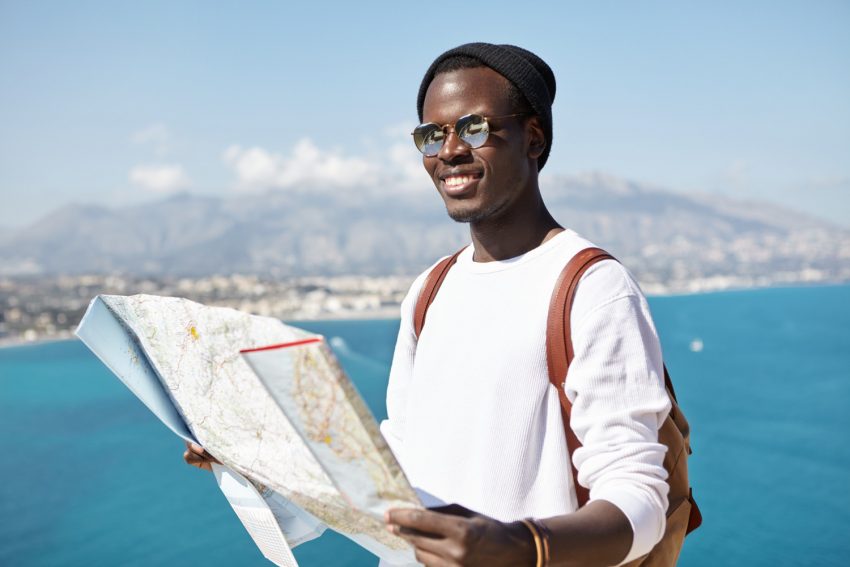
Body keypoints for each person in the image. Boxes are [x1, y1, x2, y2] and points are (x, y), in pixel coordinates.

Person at [188, 43, 673, 567]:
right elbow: (394, 474)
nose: (449, 151)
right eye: (430, 135)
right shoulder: (431, 288)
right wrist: (257, 459)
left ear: (533, 137)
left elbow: (641, 499)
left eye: (474, 128)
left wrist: (519, 545)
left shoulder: (592, 287)